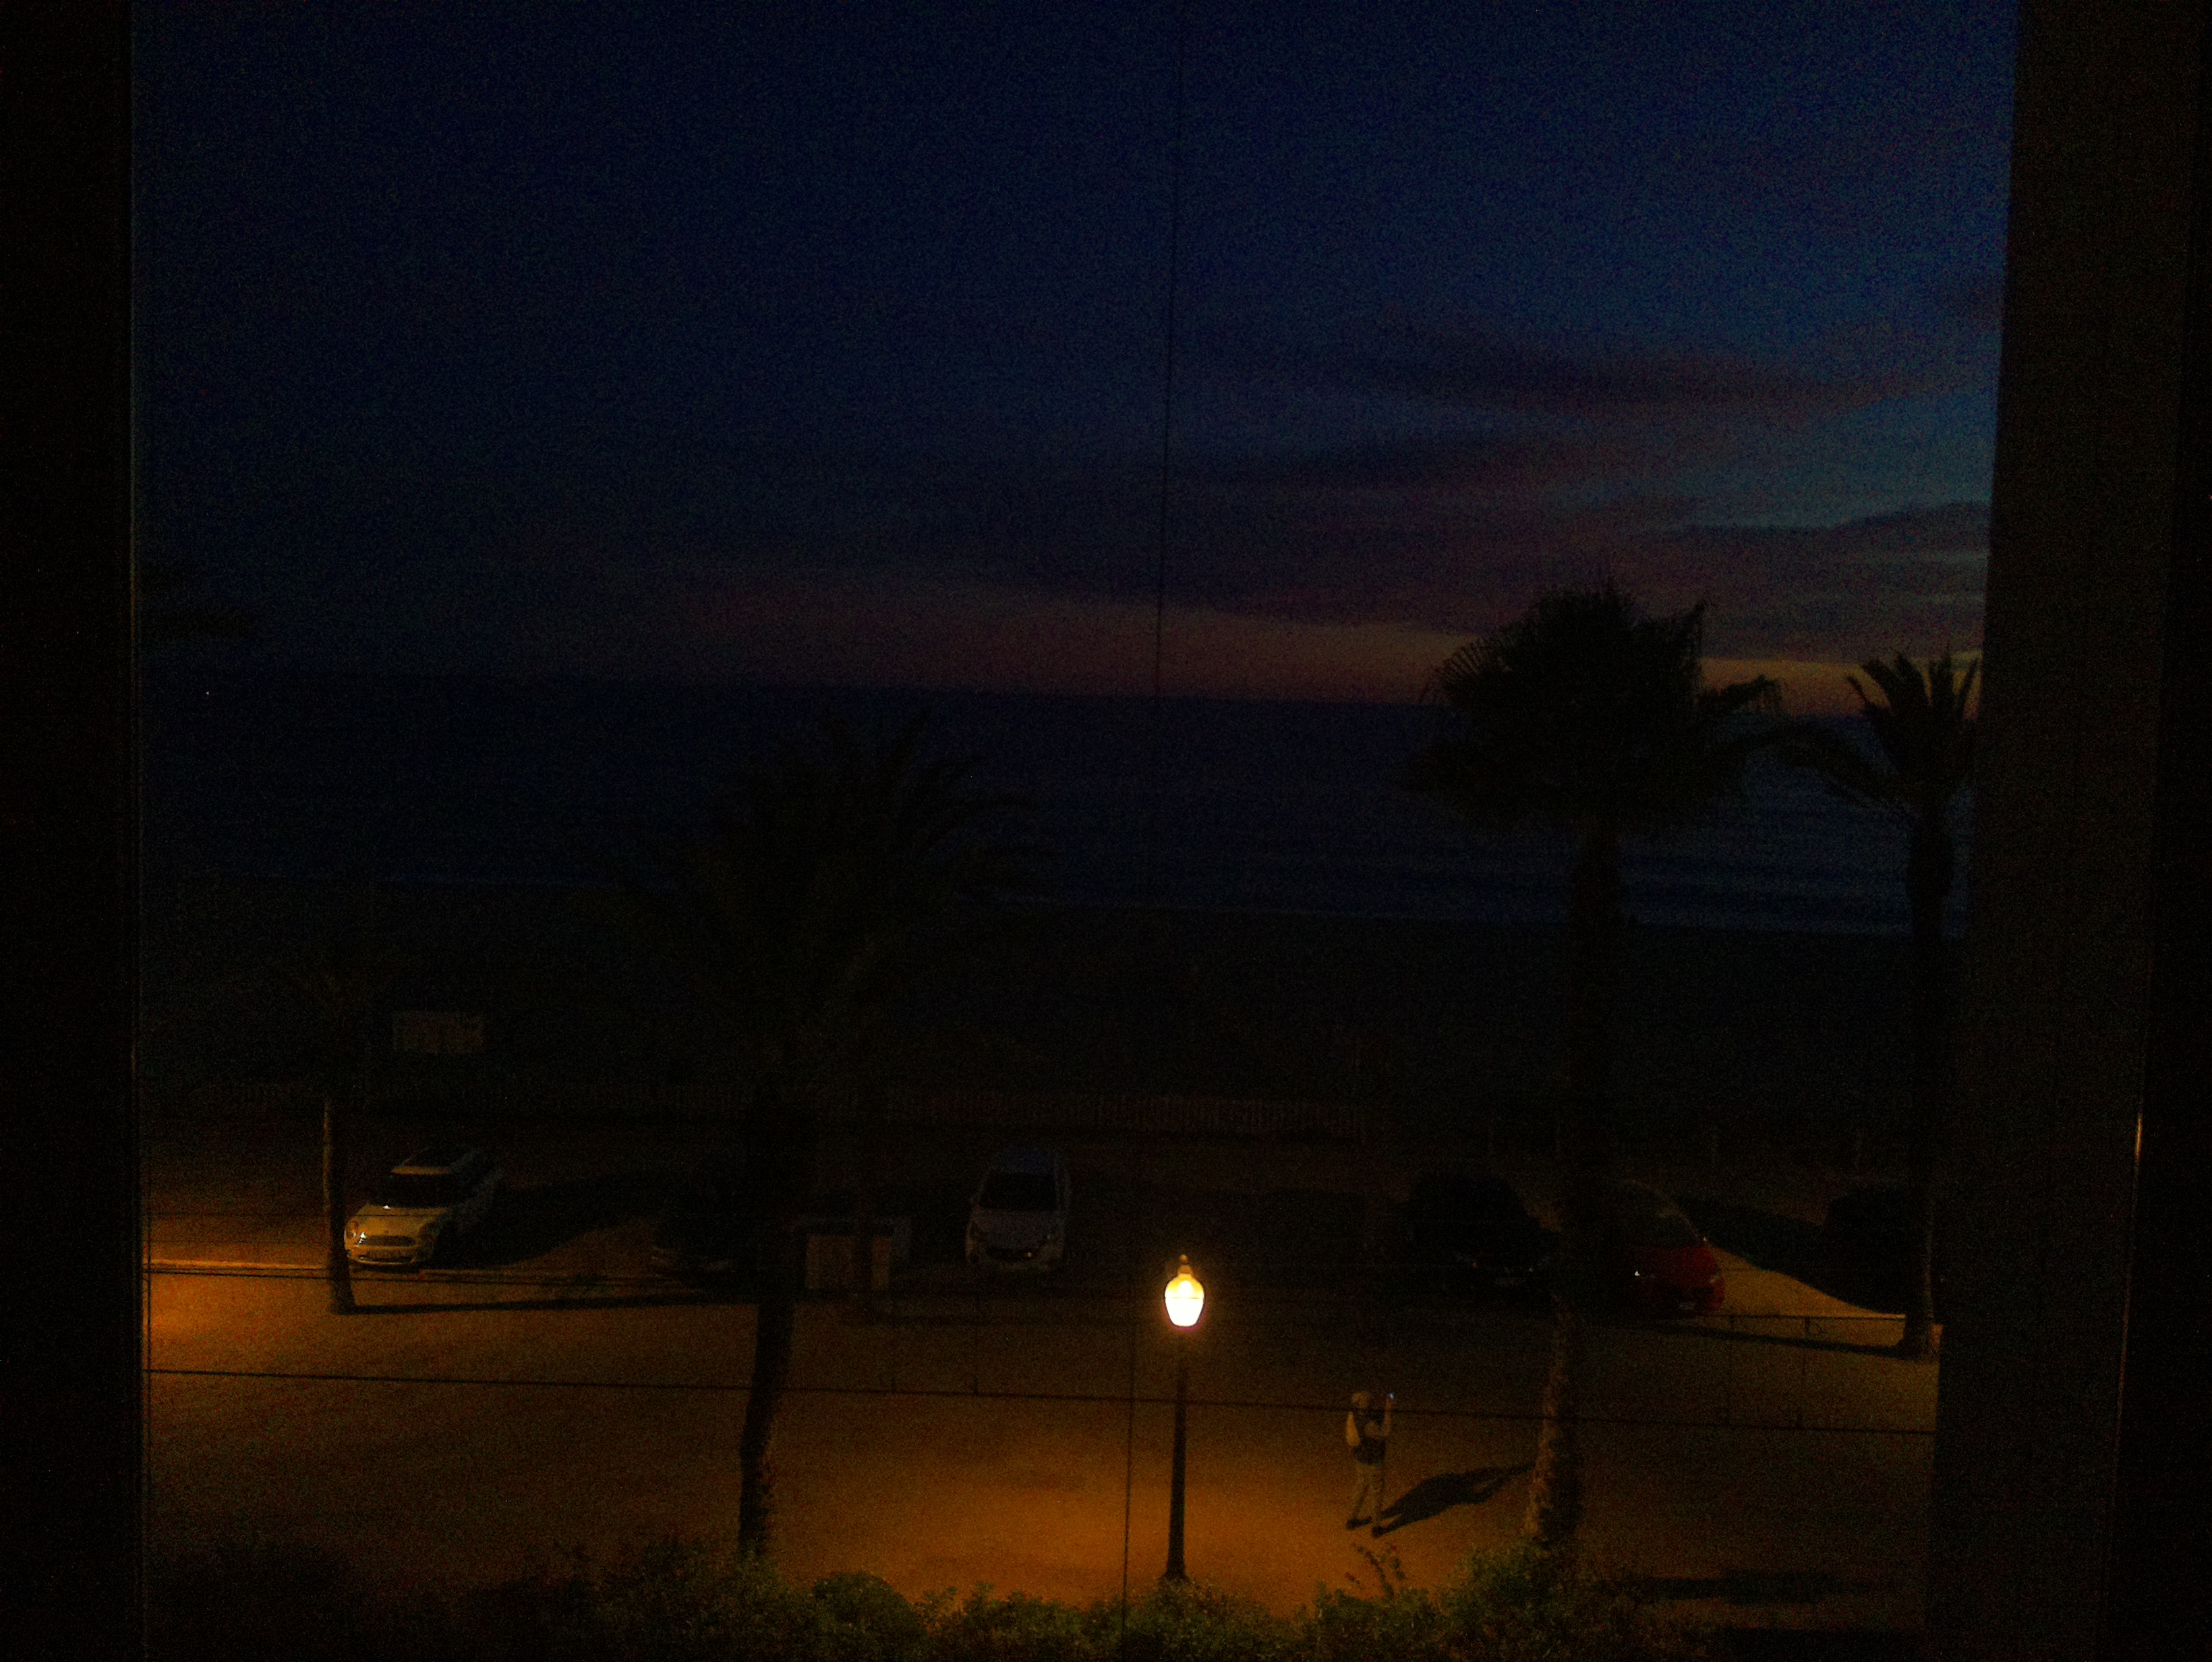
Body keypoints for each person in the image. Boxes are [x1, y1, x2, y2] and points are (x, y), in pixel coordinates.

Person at [1344, 1388, 1392, 1528]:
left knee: (1360, 1488)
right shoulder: (1369, 1425)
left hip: (1360, 1458)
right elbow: (1385, 1433)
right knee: (1376, 1492)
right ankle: (1376, 1526)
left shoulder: (1354, 1415)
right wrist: (1388, 1412)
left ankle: (1351, 1519)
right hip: (1373, 1461)